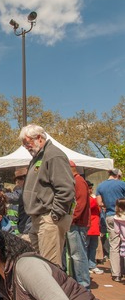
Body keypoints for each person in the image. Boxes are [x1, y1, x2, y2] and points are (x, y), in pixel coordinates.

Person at [19, 124, 75, 266]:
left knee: (50, 266)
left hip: (49, 218)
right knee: (39, 263)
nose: (26, 147)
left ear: (39, 138)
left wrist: (55, 215)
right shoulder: (39, 156)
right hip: (38, 219)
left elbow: (65, 188)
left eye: (27, 142)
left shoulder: (53, 155)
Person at [96, 168, 125, 282]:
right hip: (122, 214)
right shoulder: (122, 184)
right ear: (118, 175)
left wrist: (108, 205)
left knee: (114, 245)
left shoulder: (101, 186)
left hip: (109, 215)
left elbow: (99, 203)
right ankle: (122, 270)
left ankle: (116, 273)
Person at [65, 161, 90, 289]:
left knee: (78, 255)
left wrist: (72, 219)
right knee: (75, 254)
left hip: (77, 224)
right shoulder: (76, 181)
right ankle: (80, 283)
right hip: (75, 223)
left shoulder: (78, 181)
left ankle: (83, 285)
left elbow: (80, 203)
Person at [86, 180, 104, 274]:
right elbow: (94, 204)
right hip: (88, 227)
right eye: (89, 188)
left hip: (95, 227)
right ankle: (87, 266)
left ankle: (91, 265)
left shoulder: (91, 198)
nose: (91, 190)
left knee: (93, 247)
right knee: (86, 247)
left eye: (91, 188)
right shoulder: (87, 198)